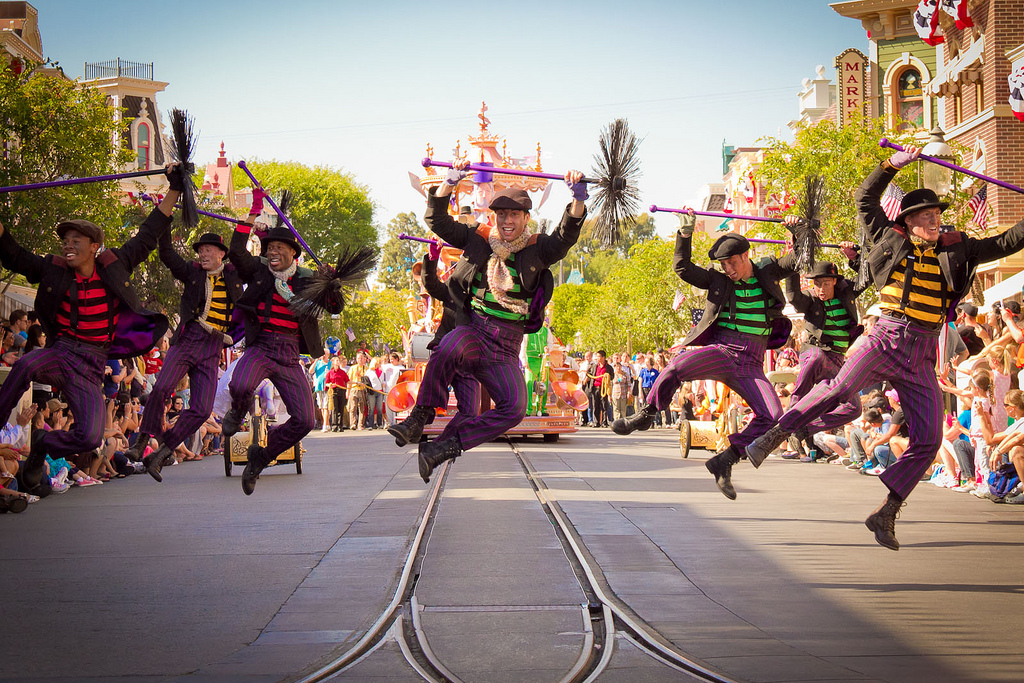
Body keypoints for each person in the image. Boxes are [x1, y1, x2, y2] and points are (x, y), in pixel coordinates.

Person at [746, 145, 1024, 550]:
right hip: (886, 334)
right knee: (841, 389)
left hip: (924, 349)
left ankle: (887, 511)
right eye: (926, 216)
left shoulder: (958, 246)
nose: (935, 220)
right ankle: (776, 434)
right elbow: (864, 198)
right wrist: (892, 165)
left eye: (937, 214)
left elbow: (1008, 240)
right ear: (908, 220)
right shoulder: (886, 235)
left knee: (928, 438)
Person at [388, 159, 586, 482]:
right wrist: (450, 181)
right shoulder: (479, 237)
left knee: (516, 407)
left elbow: (565, 236)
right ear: (494, 217)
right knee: (449, 344)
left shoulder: (538, 249)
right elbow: (435, 219)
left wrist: (577, 199)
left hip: (506, 348)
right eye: (501, 214)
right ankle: (419, 416)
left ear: (526, 218)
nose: (507, 221)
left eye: (514, 215)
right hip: (475, 332)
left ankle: (444, 447)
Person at [0, 165, 182, 492]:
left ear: (94, 245)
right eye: (65, 241)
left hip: (92, 365)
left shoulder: (114, 265)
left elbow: (148, 234)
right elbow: (15, 256)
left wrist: (175, 189)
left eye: (76, 241)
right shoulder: (53, 269)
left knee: (91, 436)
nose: (68, 246)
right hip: (61, 352)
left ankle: (41, 445)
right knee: (26, 363)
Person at [611, 209, 800, 501]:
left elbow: (797, 260)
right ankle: (647, 414)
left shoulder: (767, 271)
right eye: (724, 265)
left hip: (751, 362)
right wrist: (685, 234)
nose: (729, 269)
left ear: (746, 256)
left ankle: (725, 460)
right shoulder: (719, 281)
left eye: (733, 263)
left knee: (773, 416)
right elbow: (683, 268)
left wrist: (796, 232)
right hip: (724, 350)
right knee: (676, 366)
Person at [221, 188, 343, 495]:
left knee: (305, 420)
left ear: (294, 253)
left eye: (279, 248)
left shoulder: (307, 278)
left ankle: (261, 457)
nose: (273, 252)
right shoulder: (260, 271)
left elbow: (334, 307)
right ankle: (237, 412)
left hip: (289, 355)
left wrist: (332, 284)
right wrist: (252, 213)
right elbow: (236, 252)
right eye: (269, 247)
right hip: (261, 346)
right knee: (239, 385)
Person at [127, 227, 243, 481]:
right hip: (189, 339)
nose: (202, 254)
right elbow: (167, 254)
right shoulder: (192, 272)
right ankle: (142, 439)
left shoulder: (234, 274)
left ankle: (162, 452)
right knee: (161, 388)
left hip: (213, 347)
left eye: (207, 250)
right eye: (200, 250)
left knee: (202, 410)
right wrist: (165, 220)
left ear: (221, 254)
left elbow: (251, 260)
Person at [783, 254, 862, 458]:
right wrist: (794, 262)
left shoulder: (846, 291)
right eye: (817, 284)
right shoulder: (810, 298)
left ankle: (805, 430)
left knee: (854, 408)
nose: (821, 290)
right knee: (816, 358)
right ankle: (793, 413)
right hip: (815, 351)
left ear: (835, 281)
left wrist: (854, 256)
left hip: (837, 360)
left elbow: (867, 276)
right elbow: (792, 296)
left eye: (826, 284)